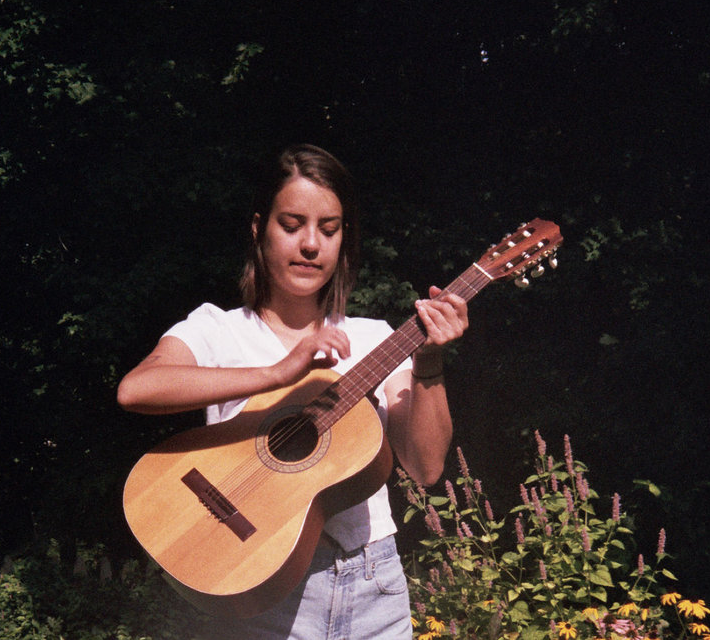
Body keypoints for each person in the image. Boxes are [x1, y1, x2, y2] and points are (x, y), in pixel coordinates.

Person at [117, 144, 469, 640]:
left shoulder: (376, 339)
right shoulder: (216, 329)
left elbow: (427, 467)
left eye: (329, 229)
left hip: (376, 591)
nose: (310, 244)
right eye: (292, 224)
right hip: (259, 585)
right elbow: (137, 389)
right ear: (258, 228)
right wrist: (280, 372)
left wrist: (429, 363)